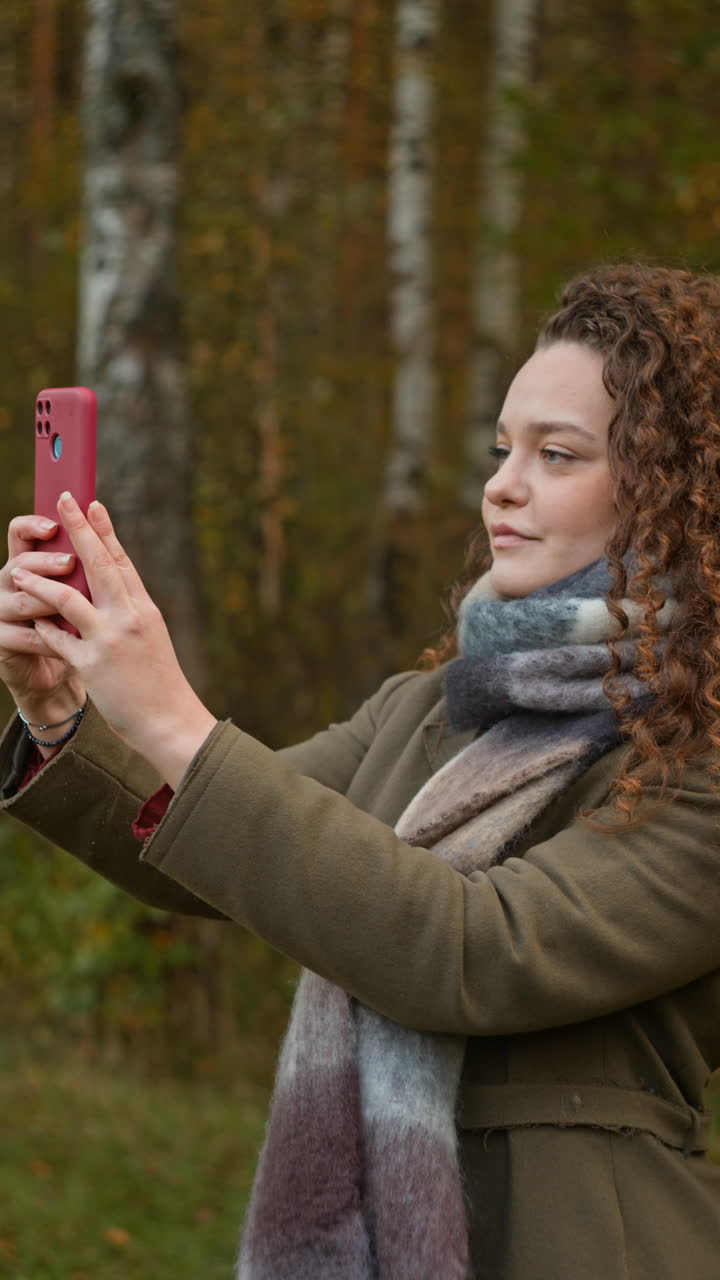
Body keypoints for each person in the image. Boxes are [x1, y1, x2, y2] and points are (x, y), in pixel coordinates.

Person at [1, 261, 719, 1280]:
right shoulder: (432, 707)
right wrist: (62, 710)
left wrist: (170, 712)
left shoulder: (697, 754)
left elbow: (475, 949)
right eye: (500, 446)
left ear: (676, 492)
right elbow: (205, 840)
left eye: (556, 454)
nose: (503, 483)